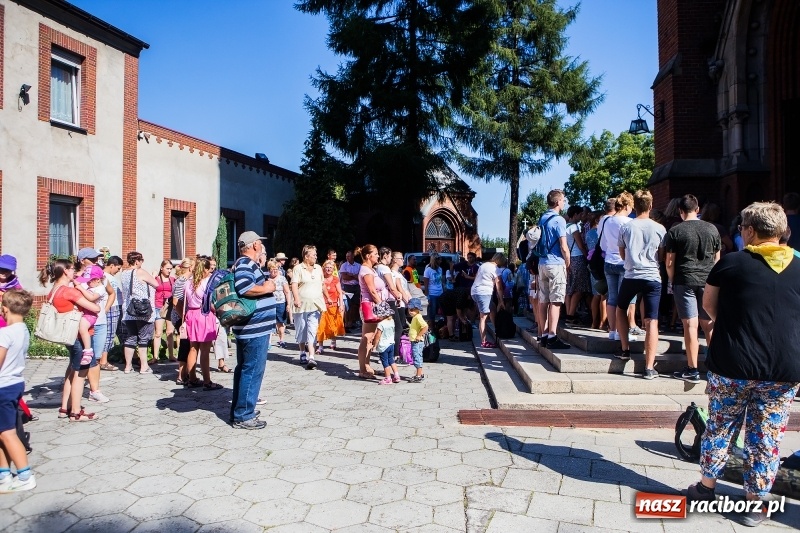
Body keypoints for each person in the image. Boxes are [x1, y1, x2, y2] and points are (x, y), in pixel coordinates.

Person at [686, 202, 800, 527]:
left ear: (749, 231)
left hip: (733, 363)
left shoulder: (731, 263)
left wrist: (736, 325)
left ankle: (707, 488)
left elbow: (709, 305)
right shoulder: (799, 266)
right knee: (767, 436)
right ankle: (755, 504)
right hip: (783, 368)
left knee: (721, 426)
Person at [664, 194, 720, 383]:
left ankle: (692, 368)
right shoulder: (712, 229)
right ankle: (716, 367)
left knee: (690, 325)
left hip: (684, 279)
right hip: (708, 280)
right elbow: (717, 259)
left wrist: (672, 279)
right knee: (709, 324)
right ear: (698, 209)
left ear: (680, 211)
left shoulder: (675, 231)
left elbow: (669, 262)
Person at [40, 259, 102, 420]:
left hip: (68, 336)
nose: (74, 271)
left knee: (71, 371)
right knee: (80, 375)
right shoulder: (69, 291)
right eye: (72, 269)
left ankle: (64, 407)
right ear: (65, 271)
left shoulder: (54, 290)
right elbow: (95, 308)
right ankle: (75, 411)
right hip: (79, 337)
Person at [613, 190, 666, 379]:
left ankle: (625, 348)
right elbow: (661, 255)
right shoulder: (660, 228)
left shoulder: (627, 227)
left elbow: (622, 253)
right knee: (652, 320)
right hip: (652, 276)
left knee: (621, 308)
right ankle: (649, 367)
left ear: (634, 206)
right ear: (651, 205)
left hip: (632, 274)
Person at [230, 231, 277, 430]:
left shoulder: (245, 264)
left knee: (245, 369)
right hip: (253, 329)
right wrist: (267, 288)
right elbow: (244, 288)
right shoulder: (245, 264)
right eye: (260, 243)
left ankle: (241, 410)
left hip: (252, 328)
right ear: (255, 245)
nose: (262, 246)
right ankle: (243, 415)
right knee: (252, 370)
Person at [0, 289, 36, 492]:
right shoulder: (22, 329)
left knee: (7, 434)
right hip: (14, 383)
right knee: (2, 432)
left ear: (5, 309)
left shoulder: (5, 334)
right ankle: (4, 474)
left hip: (3, 386)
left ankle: (25, 476)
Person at [536, 189, 571, 349]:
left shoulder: (542, 218)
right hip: (556, 263)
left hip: (542, 262)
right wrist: (568, 262)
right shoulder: (559, 220)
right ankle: (552, 335)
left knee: (543, 301)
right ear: (557, 202)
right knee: (556, 301)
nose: (564, 203)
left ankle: (543, 334)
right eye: (563, 200)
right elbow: (563, 246)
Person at [601, 192, 635, 342]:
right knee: (623, 300)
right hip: (623, 262)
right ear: (626, 206)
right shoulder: (629, 222)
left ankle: (612, 330)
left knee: (612, 298)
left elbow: (603, 244)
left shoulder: (607, 221)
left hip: (609, 260)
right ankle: (623, 332)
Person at [183, 256, 220, 390]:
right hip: (203, 315)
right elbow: (210, 303)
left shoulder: (188, 282)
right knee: (205, 350)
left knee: (193, 348)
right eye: (209, 269)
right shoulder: (206, 283)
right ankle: (207, 381)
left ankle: (192, 378)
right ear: (205, 269)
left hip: (191, 314)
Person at [120, 252, 159, 373]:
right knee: (143, 338)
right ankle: (144, 366)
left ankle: (128, 366)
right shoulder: (140, 271)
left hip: (129, 310)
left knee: (130, 338)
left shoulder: (124, 274)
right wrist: (154, 275)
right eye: (141, 260)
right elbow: (156, 284)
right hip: (143, 311)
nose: (142, 263)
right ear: (137, 261)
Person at [291, 245, 325, 369]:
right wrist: (296, 299)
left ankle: (311, 357)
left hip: (315, 304)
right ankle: (302, 352)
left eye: (316, 254)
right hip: (301, 305)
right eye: (313, 255)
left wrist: (328, 298)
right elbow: (294, 285)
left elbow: (322, 284)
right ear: (306, 256)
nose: (316, 256)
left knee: (313, 330)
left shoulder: (318, 268)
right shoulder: (298, 268)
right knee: (302, 329)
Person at [356, 245, 387, 379]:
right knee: (367, 338)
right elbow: (372, 291)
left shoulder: (370, 269)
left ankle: (367, 366)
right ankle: (363, 369)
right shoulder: (366, 271)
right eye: (375, 253)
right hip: (370, 306)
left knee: (370, 338)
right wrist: (382, 307)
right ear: (368, 256)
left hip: (373, 305)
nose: (378, 256)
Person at [470, 253, 506, 348]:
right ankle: (484, 341)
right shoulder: (496, 269)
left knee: (492, 307)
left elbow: (477, 277)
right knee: (483, 317)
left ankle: (496, 329)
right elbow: (499, 287)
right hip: (484, 293)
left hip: (475, 291)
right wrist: (501, 301)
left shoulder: (483, 265)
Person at [564, 205, 590, 325]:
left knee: (570, 289)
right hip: (578, 257)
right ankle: (571, 315)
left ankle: (568, 314)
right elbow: (580, 245)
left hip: (569, 259)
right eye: (580, 214)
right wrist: (587, 256)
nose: (581, 217)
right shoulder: (574, 227)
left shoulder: (565, 227)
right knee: (579, 289)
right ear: (575, 215)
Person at [171, 258, 194, 385]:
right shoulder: (182, 281)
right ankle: (181, 375)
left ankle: (186, 373)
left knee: (188, 344)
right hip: (181, 317)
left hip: (184, 316)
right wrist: (184, 319)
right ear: (190, 267)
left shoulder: (186, 279)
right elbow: (176, 302)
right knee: (185, 344)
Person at [99, 256, 123, 371]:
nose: (118, 271)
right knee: (109, 334)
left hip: (116, 306)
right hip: (111, 307)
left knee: (117, 333)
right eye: (118, 268)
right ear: (112, 265)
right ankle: (103, 361)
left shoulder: (110, 277)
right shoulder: (104, 276)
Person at [316, 259, 345, 353]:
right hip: (322, 306)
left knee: (333, 325)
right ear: (323, 268)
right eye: (327, 267)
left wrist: (341, 305)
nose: (328, 269)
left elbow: (340, 293)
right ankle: (320, 346)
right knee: (321, 326)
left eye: (330, 268)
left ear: (333, 269)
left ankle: (333, 341)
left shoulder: (336, 279)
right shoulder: (320, 279)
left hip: (333, 306)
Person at [152, 260, 176, 362]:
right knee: (158, 333)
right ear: (161, 268)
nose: (169, 271)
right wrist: (153, 276)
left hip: (170, 308)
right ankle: (155, 357)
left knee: (170, 332)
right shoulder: (156, 279)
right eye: (167, 268)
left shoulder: (173, 280)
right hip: (158, 307)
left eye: (171, 269)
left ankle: (171, 355)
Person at [267, 260, 290, 348]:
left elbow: (287, 292)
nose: (274, 271)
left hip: (280, 303)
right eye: (272, 269)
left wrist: (288, 304)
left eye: (276, 269)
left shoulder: (282, 278)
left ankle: (281, 340)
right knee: (269, 323)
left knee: (280, 322)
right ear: (269, 270)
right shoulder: (267, 279)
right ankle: (268, 342)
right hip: (270, 303)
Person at [373, 314, 399, 384]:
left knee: (385, 362)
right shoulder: (391, 321)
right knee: (391, 360)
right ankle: (396, 376)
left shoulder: (381, 324)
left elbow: (378, 336)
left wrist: (374, 345)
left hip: (383, 346)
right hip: (391, 343)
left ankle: (388, 378)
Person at [339, 250, 361, 330]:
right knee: (348, 305)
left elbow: (360, 277)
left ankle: (353, 321)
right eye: (346, 256)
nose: (347, 258)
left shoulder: (358, 265)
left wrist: (350, 275)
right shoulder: (344, 265)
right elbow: (344, 277)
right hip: (347, 287)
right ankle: (347, 322)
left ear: (353, 256)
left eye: (349, 256)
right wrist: (354, 276)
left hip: (356, 286)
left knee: (355, 305)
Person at [406, 298, 427, 383]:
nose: (410, 312)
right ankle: (420, 374)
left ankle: (418, 375)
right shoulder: (415, 317)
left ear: (418, 309)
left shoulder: (418, 317)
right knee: (416, 356)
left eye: (412, 310)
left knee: (417, 357)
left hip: (417, 341)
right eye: (409, 309)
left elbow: (425, 327)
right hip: (414, 341)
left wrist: (419, 335)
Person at [0, 255, 22, 329]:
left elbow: (19, 304)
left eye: (8, 270)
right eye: (2, 269)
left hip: (7, 323)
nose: (4, 272)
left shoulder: (16, 286)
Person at [422, 253, 443, 327]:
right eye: (439, 260)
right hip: (432, 294)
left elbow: (440, 281)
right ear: (435, 260)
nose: (441, 261)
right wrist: (427, 296)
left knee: (441, 311)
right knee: (432, 312)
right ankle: (432, 327)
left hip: (440, 292)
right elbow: (426, 285)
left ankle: (441, 326)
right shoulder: (428, 270)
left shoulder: (440, 269)